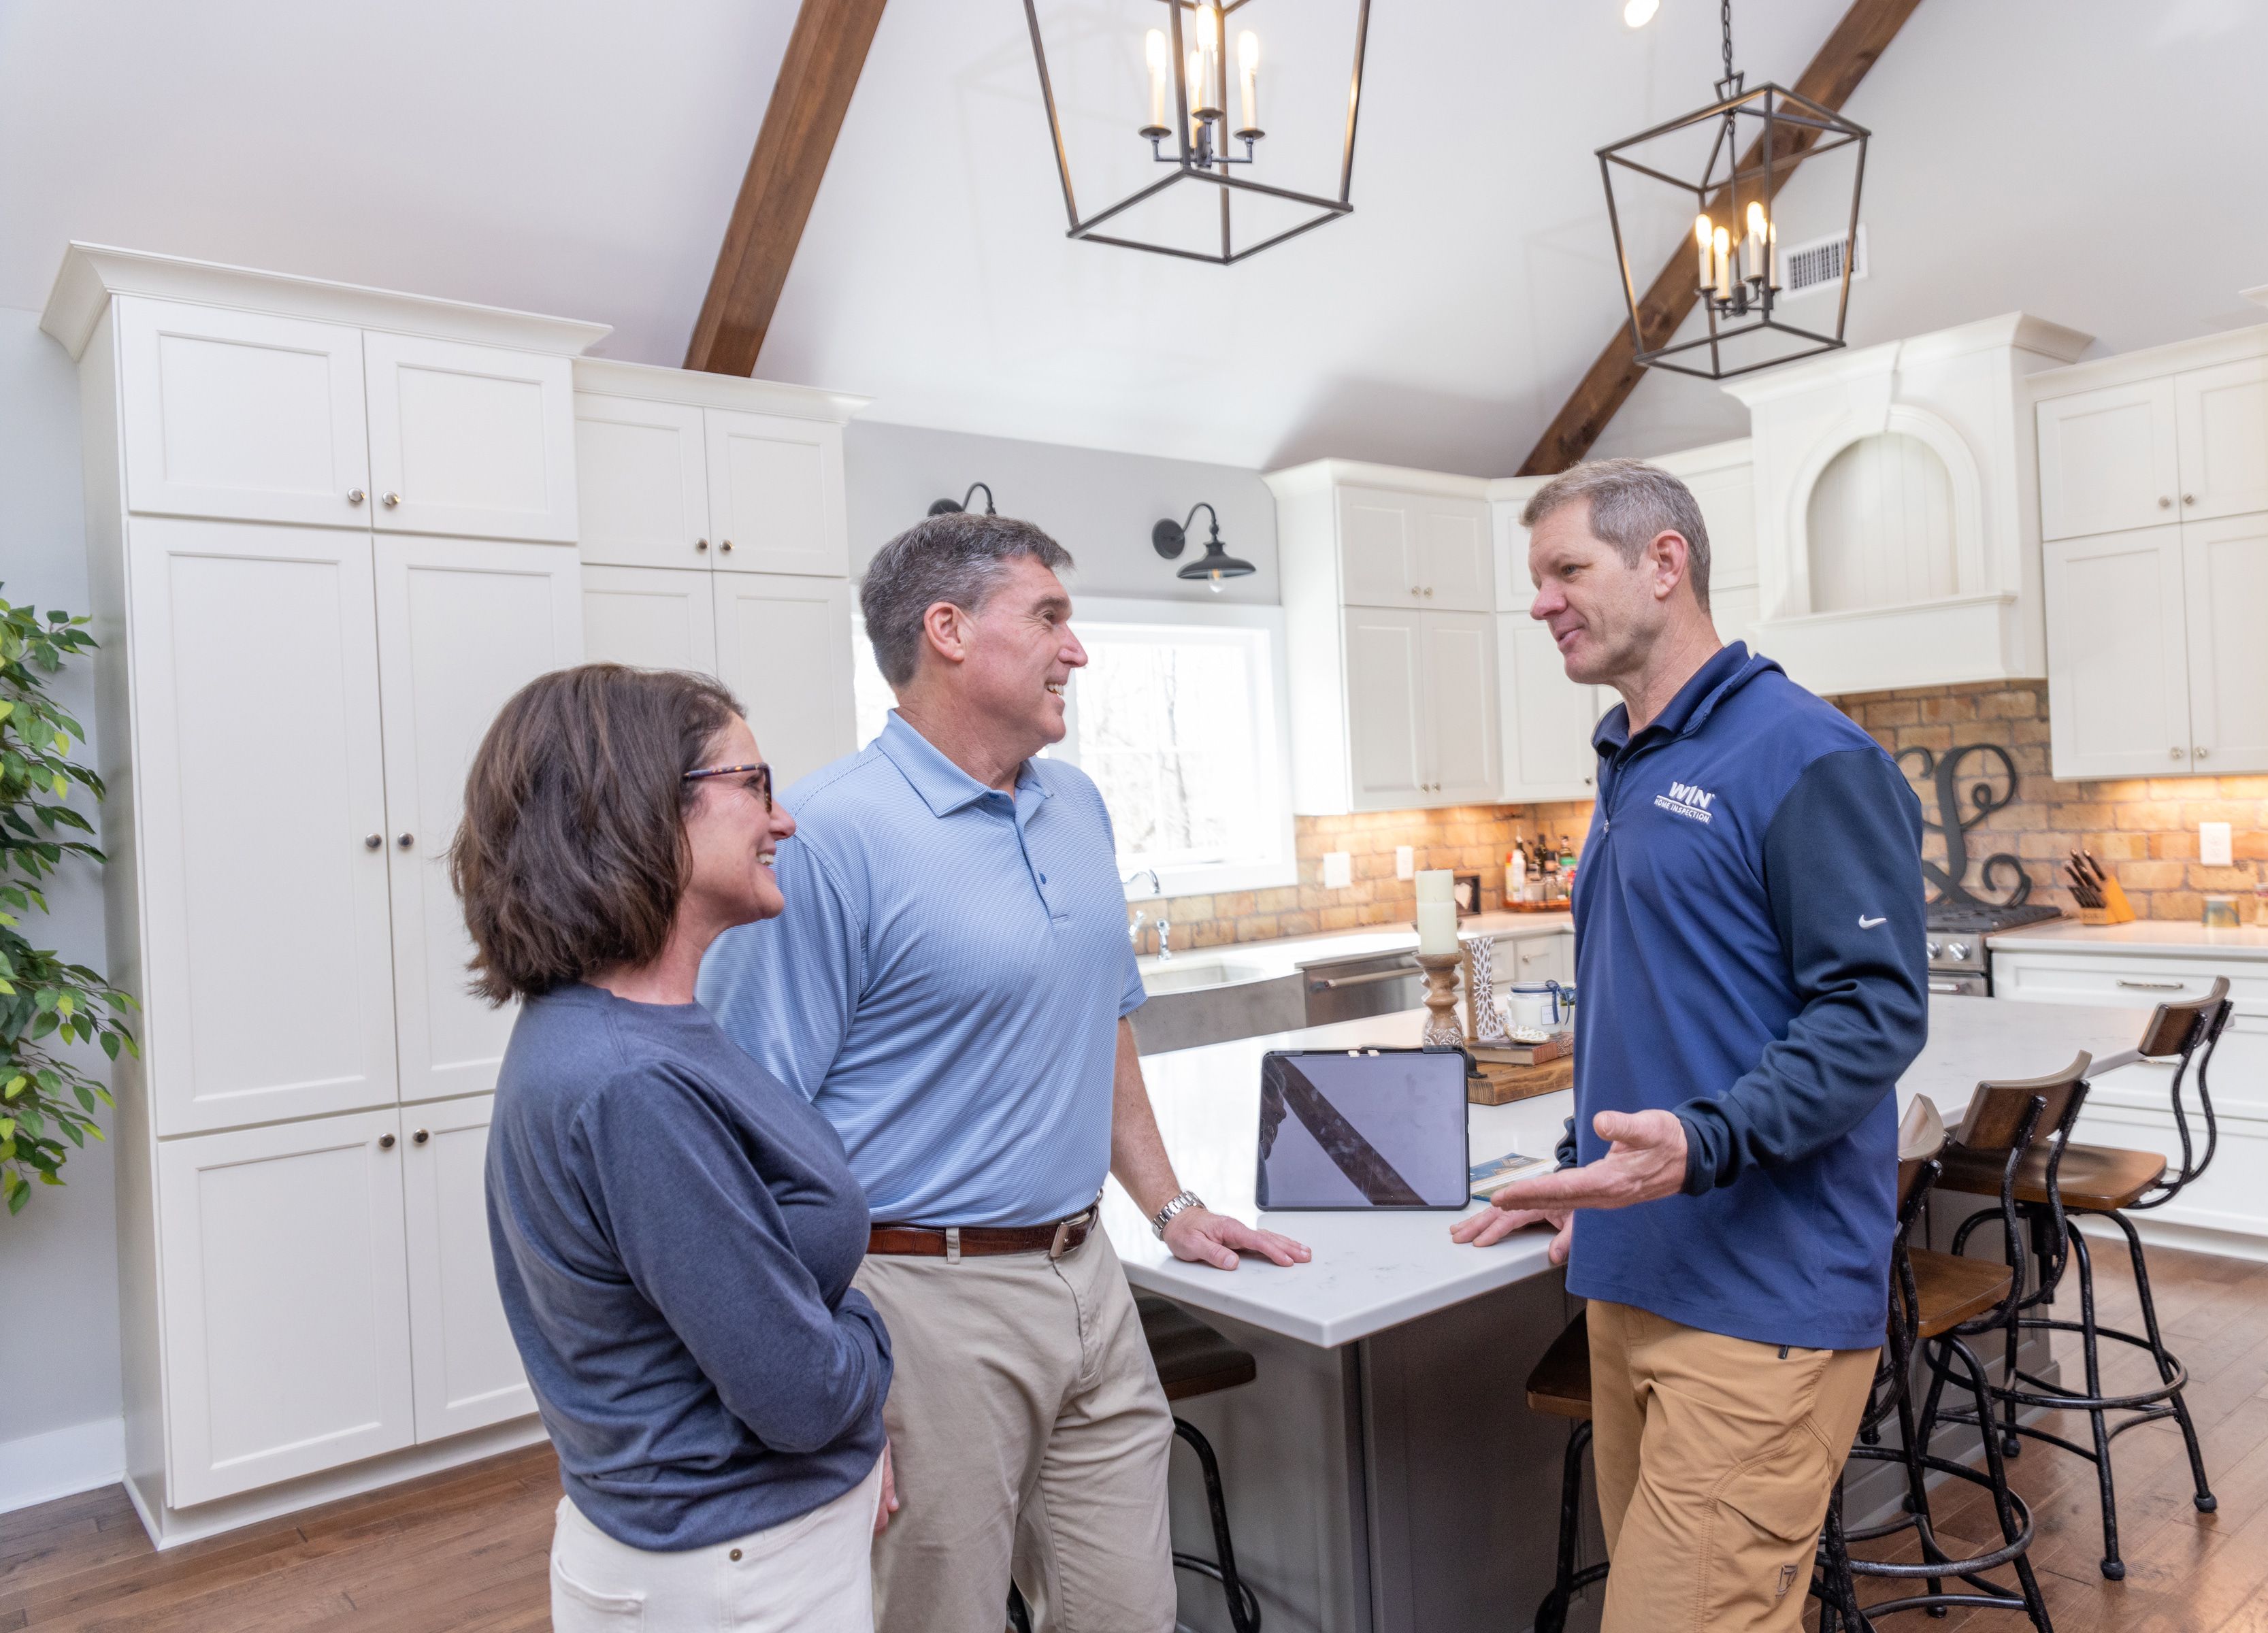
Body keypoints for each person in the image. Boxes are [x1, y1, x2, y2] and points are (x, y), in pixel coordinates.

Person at [700, 510, 1310, 1633]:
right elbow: (749, 1128)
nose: (1076, 650)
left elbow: (1101, 1024)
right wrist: (818, 1375)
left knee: (1129, 1613)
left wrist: (1168, 1206)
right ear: (947, 631)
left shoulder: (1073, 803)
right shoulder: (825, 834)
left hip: (1089, 1275)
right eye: (1050, 617)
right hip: (917, 1299)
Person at [1452, 459, 1928, 1633]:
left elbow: (1873, 1014)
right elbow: (1649, 999)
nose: (1539, 602)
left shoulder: (1804, 755)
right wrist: (1578, 1175)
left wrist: (1704, 1141)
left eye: (1567, 570)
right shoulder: (1630, 755)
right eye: (1535, 577)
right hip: (1632, 1277)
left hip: (1759, 1299)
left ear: (1664, 563)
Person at [455, 665, 895, 1632]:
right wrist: (878, 1329)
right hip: (732, 1575)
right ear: (642, 811)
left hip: (725, 1551)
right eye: (755, 786)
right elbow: (799, 1396)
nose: (783, 822)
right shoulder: (632, 1080)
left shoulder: (629, 1032)